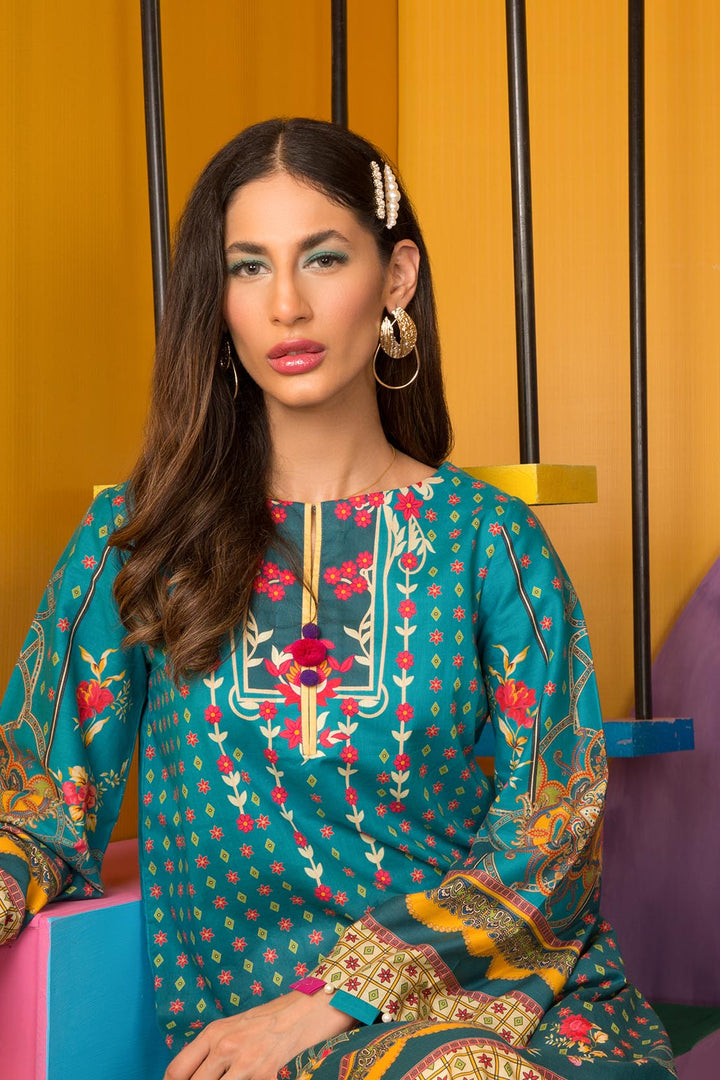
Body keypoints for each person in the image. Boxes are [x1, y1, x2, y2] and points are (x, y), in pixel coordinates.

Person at [0, 118, 674, 1080]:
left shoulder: (489, 541)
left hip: (506, 1004)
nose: (286, 304)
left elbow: (551, 829)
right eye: (248, 268)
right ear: (218, 299)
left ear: (396, 277)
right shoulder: (141, 540)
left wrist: (327, 1003)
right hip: (256, 1036)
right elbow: (37, 804)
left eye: (323, 258)